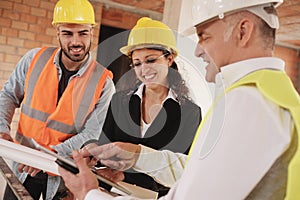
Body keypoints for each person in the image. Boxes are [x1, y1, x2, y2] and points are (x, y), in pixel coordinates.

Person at [59, 0, 300, 199]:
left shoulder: (248, 103)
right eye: (137, 63)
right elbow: (192, 174)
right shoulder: (273, 94)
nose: (197, 50)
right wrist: (134, 156)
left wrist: (89, 193)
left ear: (243, 31)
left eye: (204, 37)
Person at [0, 0, 115, 199]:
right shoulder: (33, 59)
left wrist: (46, 155)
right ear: (57, 32)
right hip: (23, 169)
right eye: (67, 33)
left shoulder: (104, 83)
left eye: (83, 33)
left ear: (92, 32)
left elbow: (92, 133)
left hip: (66, 176)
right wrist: (2, 129)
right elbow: (9, 95)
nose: (76, 41)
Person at [85, 17, 202, 197]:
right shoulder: (119, 102)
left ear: (169, 59)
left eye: (151, 60)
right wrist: (92, 154)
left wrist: (126, 176)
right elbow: (105, 147)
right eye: (137, 63)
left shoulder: (190, 112)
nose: (144, 69)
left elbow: (183, 172)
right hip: (110, 194)